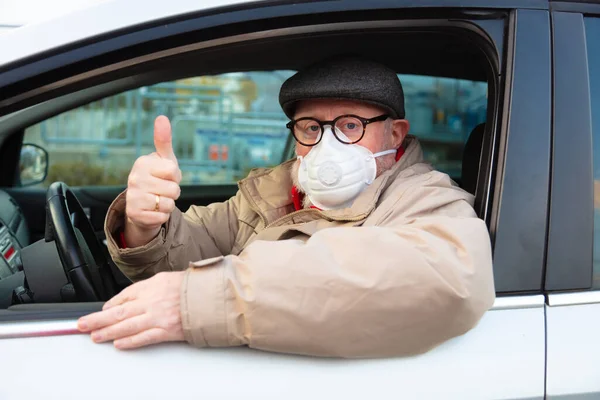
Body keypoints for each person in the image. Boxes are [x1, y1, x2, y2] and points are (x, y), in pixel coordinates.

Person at [77, 57, 495, 358]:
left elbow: (444, 278)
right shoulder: (272, 193)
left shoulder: (423, 198)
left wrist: (202, 301)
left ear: (395, 134)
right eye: (312, 128)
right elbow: (199, 240)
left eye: (350, 125)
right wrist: (144, 223)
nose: (327, 145)